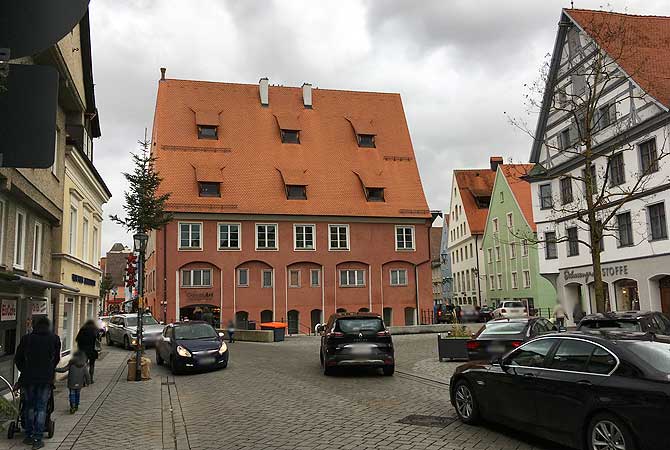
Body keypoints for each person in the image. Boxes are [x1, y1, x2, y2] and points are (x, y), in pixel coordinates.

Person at [14, 316, 61, 450]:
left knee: (29, 406)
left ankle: (28, 435)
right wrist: (49, 371)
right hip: (45, 379)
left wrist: (25, 370)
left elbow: (18, 359)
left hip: (28, 379)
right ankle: (37, 438)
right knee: (41, 407)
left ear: (34, 325)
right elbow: (56, 359)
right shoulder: (54, 339)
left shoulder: (27, 339)